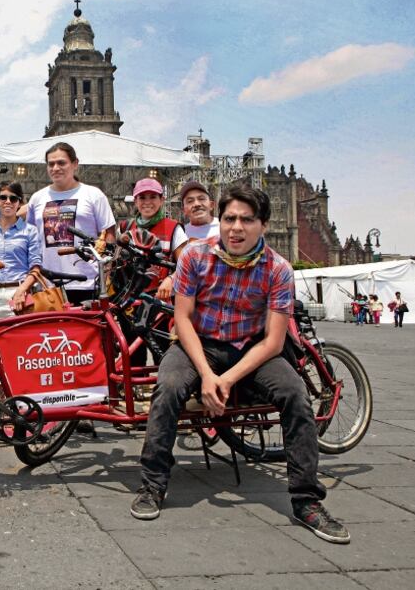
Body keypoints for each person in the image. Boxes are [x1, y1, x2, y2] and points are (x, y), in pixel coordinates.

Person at [130, 184, 349, 544]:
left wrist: (225, 379)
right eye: (230, 218)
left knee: (295, 394)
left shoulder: (278, 269)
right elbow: (182, 319)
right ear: (221, 220)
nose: (236, 227)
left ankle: (307, 499)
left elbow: (274, 341)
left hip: (253, 349)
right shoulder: (195, 257)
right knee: (167, 388)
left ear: (263, 224)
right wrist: (206, 374)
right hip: (196, 345)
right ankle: (153, 485)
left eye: (247, 220)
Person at [24, 142, 116, 305]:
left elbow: (109, 233)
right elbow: (30, 239)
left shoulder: (93, 195)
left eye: (61, 163)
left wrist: (106, 270)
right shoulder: (37, 198)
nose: (55, 168)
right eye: (51, 164)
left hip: (88, 282)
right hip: (49, 285)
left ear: (75, 164)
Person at [0, 181, 42, 320]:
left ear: (20, 203)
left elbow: (36, 267)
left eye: (13, 198)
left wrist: (22, 290)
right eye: (3, 198)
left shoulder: (30, 231)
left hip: (19, 293)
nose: (8, 202)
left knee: (19, 340)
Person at [121, 177, 187, 301]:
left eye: (153, 197)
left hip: (160, 302)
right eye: (142, 197)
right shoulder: (126, 227)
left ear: (162, 200)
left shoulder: (174, 228)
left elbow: (187, 265)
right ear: (135, 201)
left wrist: (171, 279)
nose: (147, 202)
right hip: (128, 301)